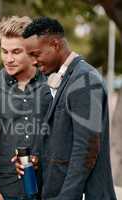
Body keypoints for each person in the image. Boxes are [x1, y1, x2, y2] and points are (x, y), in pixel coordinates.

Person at [21, 16, 117, 200]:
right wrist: (36, 160)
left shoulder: (85, 80)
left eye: (36, 54)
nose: (33, 61)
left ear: (55, 44)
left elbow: (86, 149)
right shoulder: (64, 78)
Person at [0, 16, 52, 200]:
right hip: (4, 191)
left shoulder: (52, 86)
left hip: (46, 189)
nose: (8, 59)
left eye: (16, 52)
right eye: (4, 51)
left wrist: (38, 157)